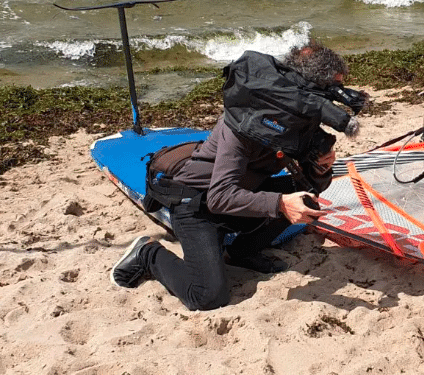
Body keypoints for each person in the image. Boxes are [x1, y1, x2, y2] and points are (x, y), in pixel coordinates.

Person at [109, 42, 349, 311]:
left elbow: (312, 186)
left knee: (306, 200)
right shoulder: (245, 122)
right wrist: (280, 204)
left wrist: (320, 169)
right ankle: (147, 253)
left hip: (237, 191)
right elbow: (219, 197)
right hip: (195, 200)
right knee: (208, 296)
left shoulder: (297, 125)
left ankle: (240, 253)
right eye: (329, 91)